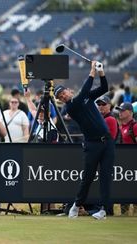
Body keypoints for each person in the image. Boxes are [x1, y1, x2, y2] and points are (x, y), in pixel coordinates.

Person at [54, 61, 114, 220]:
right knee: (88, 177)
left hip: (107, 142)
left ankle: (103, 210)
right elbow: (84, 92)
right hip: (92, 144)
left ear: (68, 90)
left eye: (63, 93)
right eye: (60, 97)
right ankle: (76, 205)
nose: (63, 96)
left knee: (106, 176)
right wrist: (92, 70)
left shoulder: (84, 96)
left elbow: (104, 88)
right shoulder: (70, 107)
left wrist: (101, 72)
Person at [115, 102, 137, 216]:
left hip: (134, 166)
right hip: (123, 167)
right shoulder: (120, 127)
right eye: (119, 110)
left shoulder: (135, 126)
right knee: (123, 192)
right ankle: (124, 213)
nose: (120, 112)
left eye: (122, 110)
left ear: (130, 112)